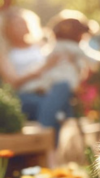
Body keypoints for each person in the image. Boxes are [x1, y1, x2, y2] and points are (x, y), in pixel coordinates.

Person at [0, 8, 72, 144]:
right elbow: (13, 82)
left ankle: (44, 136)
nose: (21, 26)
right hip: (24, 96)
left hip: (49, 91)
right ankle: (50, 150)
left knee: (62, 87)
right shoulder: (6, 54)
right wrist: (43, 69)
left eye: (23, 22)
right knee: (54, 110)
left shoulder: (42, 45)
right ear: (7, 29)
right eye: (16, 24)